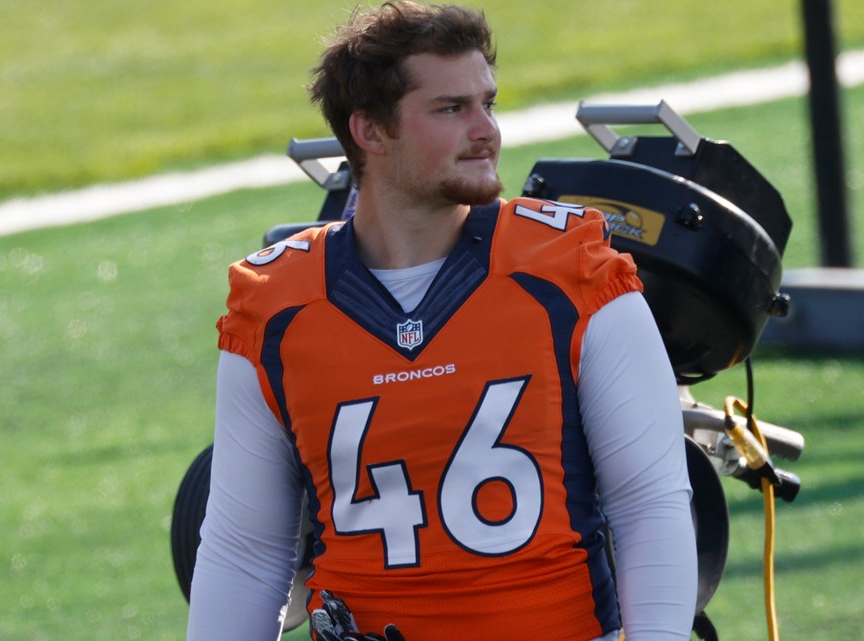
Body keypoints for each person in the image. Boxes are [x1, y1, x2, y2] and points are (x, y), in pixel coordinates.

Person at [185, 2, 697, 640]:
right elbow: (245, 550)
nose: (486, 130)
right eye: (451, 109)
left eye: (489, 103)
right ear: (370, 132)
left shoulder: (573, 272)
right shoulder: (274, 307)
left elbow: (649, 504)